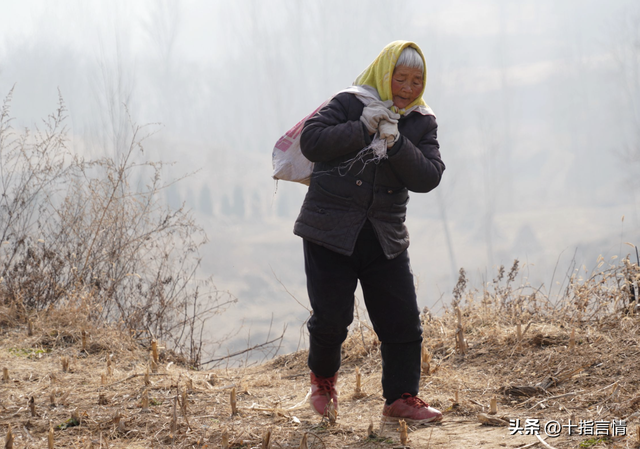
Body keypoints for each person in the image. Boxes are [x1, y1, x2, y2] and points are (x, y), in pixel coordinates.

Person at [293, 40, 445, 425]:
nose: (408, 88)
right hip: (329, 231)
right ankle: (323, 382)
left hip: (385, 236)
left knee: (403, 321)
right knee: (331, 319)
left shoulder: (421, 121)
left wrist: (398, 142)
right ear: (384, 73)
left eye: (417, 80)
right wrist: (361, 127)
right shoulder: (349, 102)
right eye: (401, 78)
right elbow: (312, 141)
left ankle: (401, 398)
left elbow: (429, 176)